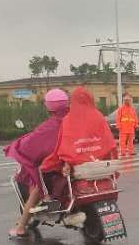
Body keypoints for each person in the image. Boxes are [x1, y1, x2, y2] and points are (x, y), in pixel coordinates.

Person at [41, 87, 117, 221]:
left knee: (45, 170)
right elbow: (108, 141)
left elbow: (65, 145)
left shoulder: (69, 119)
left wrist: (65, 162)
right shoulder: (98, 116)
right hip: (99, 164)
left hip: (78, 165)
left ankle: (54, 205)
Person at [6, 88, 71, 238]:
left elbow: (32, 145)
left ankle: (21, 227)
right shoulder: (75, 120)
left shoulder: (51, 125)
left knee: (37, 183)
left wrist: (15, 146)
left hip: (58, 165)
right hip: (75, 161)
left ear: (49, 106)